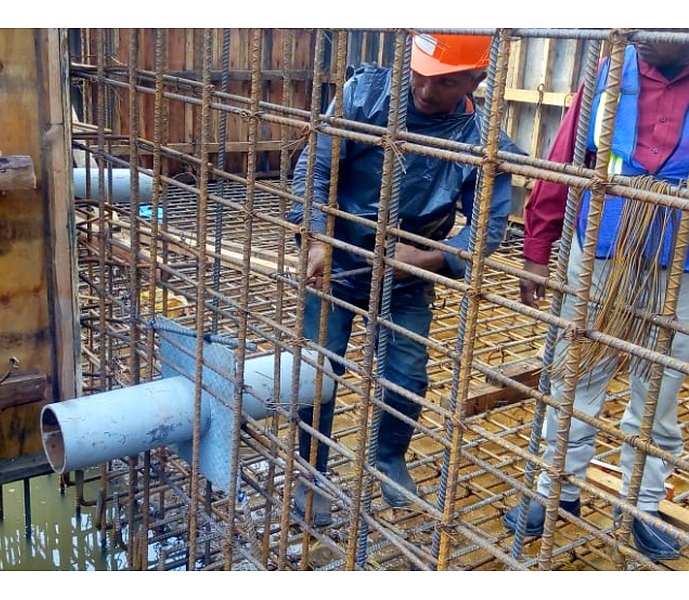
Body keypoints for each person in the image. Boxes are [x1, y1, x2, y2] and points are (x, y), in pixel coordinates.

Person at [287, 32, 522, 526]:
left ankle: (389, 458)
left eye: (443, 81)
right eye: (418, 70)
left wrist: (420, 261)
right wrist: (316, 238)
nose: (423, 86)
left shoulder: (486, 142)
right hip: (337, 262)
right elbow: (317, 163)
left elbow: (486, 231)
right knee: (316, 374)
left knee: (406, 379)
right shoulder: (366, 95)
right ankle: (312, 474)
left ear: (477, 79)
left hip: (411, 273)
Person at [503, 35, 689, 561]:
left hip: (681, 258)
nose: (646, 34)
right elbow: (564, 158)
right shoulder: (608, 70)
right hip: (601, 249)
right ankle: (555, 488)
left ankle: (642, 505)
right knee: (574, 369)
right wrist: (537, 247)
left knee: (661, 382)